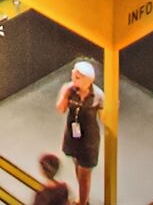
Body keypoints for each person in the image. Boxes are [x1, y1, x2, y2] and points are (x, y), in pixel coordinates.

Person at [58, 62, 103, 205]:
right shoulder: (69, 89)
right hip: (73, 135)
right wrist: (65, 95)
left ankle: (82, 202)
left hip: (88, 139)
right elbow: (61, 109)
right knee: (77, 166)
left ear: (88, 80)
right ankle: (84, 199)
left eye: (78, 77)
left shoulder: (98, 95)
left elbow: (105, 118)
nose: (74, 79)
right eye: (73, 75)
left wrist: (113, 108)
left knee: (85, 174)